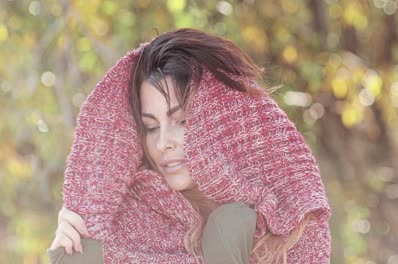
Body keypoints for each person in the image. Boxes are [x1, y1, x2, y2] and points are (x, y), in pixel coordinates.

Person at [48, 28, 331, 263]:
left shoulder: (286, 217)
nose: (163, 144)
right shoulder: (127, 221)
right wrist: (69, 249)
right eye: (151, 127)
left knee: (231, 223)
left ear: (221, 123)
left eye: (182, 121)